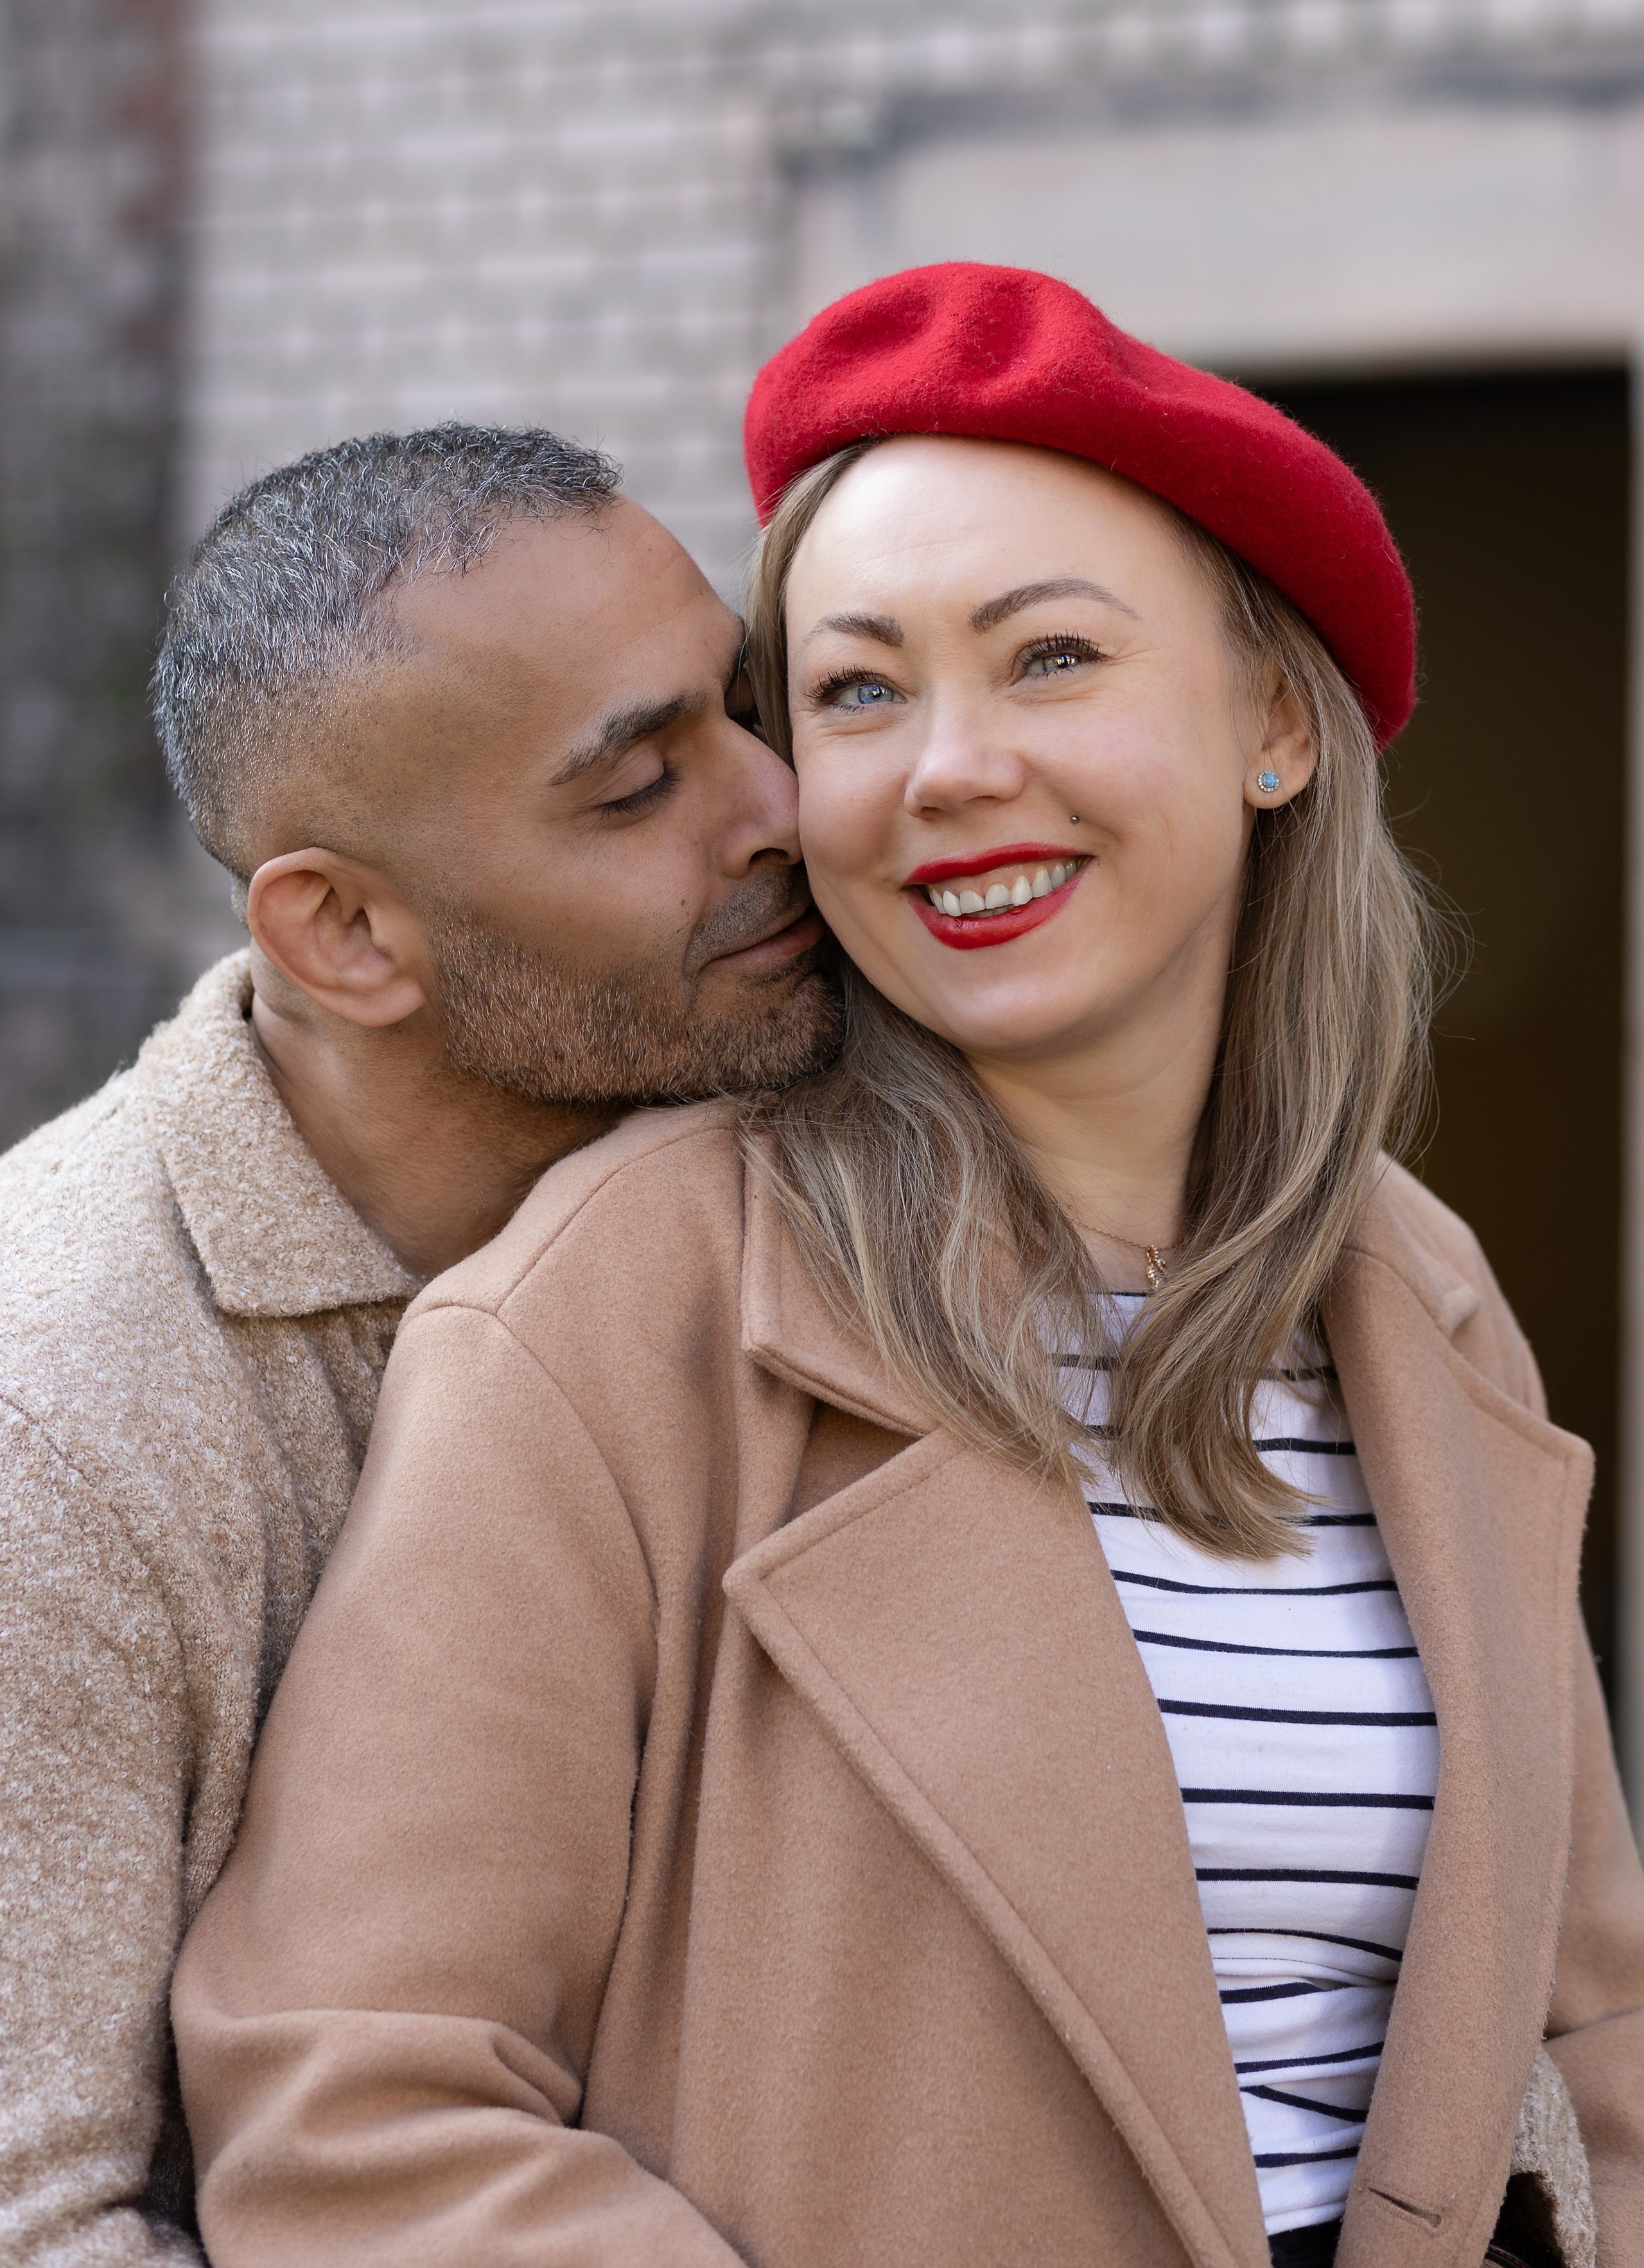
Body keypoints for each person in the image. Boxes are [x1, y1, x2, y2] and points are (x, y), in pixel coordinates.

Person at [171, 271, 1644, 2268]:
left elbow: (1594, 2038)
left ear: (1277, 724)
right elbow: (358, 2106)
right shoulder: (620, 1308)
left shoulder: (1422, 1293)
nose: (946, 767)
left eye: (1048, 659)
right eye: (857, 690)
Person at [0, 421, 837, 2264]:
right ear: (348, 932)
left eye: (749, 707)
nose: (780, 805)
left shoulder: (815, 1159)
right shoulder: (53, 1424)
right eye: (636, 793)